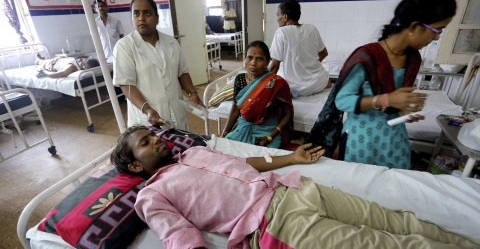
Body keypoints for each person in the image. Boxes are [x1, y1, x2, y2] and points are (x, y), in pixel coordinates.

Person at [110, 125, 480, 249]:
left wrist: (289, 159)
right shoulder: (151, 195)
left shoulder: (194, 153)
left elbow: (243, 164)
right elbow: (179, 238)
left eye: (154, 134)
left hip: (295, 188)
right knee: (384, 244)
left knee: (398, 220)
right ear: (136, 165)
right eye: (146, 142)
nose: (157, 140)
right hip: (275, 224)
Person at [305, 0, 457, 169]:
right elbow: (342, 101)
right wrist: (387, 99)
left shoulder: (413, 58)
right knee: (359, 190)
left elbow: (395, 104)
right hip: (361, 139)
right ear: (415, 27)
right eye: (437, 30)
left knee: (393, 187)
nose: (437, 37)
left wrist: (404, 111)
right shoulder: (366, 57)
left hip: (395, 137)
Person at [113, 0, 205, 130]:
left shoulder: (171, 42)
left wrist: (192, 93)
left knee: (181, 145)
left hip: (176, 110)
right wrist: (147, 109)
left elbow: (182, 72)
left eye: (147, 13)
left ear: (157, 18)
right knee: (156, 148)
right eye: (136, 13)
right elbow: (127, 85)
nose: (141, 18)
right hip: (147, 116)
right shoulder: (125, 46)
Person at [221, 41, 293, 148]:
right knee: (225, 152)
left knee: (266, 160)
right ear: (245, 59)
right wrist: (224, 134)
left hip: (268, 131)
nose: (253, 63)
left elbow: (288, 114)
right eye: (249, 58)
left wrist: (270, 136)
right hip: (243, 127)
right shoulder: (240, 79)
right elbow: (236, 110)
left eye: (259, 59)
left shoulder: (277, 83)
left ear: (267, 62)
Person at [268, 0, 332, 98]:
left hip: (298, 88)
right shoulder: (311, 28)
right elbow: (324, 53)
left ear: (285, 17)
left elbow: (275, 66)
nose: (277, 19)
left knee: (280, 75)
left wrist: (264, 86)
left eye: (278, 15)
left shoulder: (281, 32)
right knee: (327, 82)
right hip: (319, 82)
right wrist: (310, 65)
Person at [35, 53, 99, 78]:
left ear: (82, 65)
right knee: (45, 60)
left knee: (39, 62)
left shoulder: (71, 67)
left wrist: (43, 71)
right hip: (60, 59)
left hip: (52, 64)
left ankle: (39, 59)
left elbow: (54, 75)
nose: (81, 59)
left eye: (83, 60)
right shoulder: (82, 62)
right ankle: (41, 59)